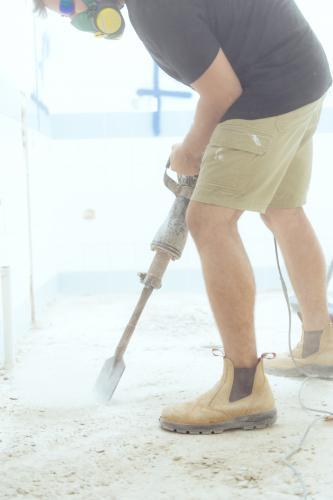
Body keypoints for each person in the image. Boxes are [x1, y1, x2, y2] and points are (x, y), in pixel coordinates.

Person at [34, 0, 333, 434]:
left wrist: (192, 147)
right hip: (303, 74)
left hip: (273, 85)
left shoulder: (151, 9)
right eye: (60, 13)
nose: (71, 16)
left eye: (64, 3)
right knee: (283, 210)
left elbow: (221, 91)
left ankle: (243, 389)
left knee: (208, 220)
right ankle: (319, 341)